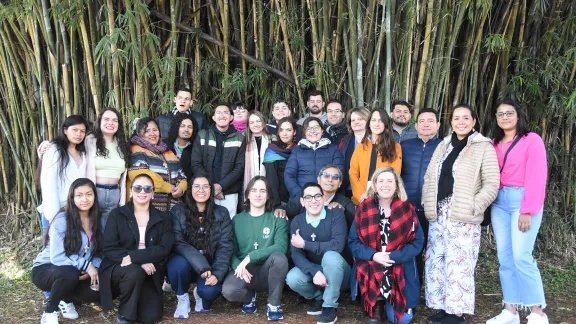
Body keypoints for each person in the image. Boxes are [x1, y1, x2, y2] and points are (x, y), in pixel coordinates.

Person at [422, 104, 499, 324]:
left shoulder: (483, 146)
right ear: (451, 122)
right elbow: (430, 176)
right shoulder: (444, 145)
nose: (461, 122)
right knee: (437, 260)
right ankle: (441, 306)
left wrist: (476, 205)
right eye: (456, 118)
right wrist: (428, 203)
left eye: (466, 118)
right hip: (439, 212)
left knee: (460, 262)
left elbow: (492, 183)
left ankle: (457, 312)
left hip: (463, 213)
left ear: (474, 121)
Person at [486, 99, 549, 324]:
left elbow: (537, 175)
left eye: (509, 113)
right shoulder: (493, 143)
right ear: (496, 118)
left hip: (523, 200)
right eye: (500, 114)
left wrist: (527, 209)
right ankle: (510, 310)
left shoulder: (531, 140)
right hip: (499, 203)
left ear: (518, 115)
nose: (505, 117)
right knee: (505, 257)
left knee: (521, 256)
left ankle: (537, 312)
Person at [348, 167, 424, 324]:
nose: (385, 185)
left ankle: (396, 300)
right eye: (381, 181)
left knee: (402, 320)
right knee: (375, 267)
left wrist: (393, 256)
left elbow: (418, 242)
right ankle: (377, 304)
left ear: (396, 184)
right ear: (374, 185)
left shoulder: (407, 209)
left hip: (399, 265)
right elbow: (353, 242)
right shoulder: (363, 208)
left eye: (390, 181)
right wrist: (374, 255)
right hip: (372, 264)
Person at [36, 109, 130, 230]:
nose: (110, 123)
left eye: (115, 120)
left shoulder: (122, 145)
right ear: (99, 122)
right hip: (92, 193)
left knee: (108, 230)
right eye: (106, 119)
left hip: (114, 194)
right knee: (90, 230)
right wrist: (44, 148)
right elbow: (64, 147)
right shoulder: (89, 140)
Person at [100, 174, 175, 324]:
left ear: (153, 193)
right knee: (134, 271)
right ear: (130, 191)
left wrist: (138, 258)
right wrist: (138, 261)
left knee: (151, 317)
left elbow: (165, 248)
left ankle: (136, 300)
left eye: (147, 189)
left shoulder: (163, 218)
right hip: (118, 267)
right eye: (138, 188)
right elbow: (109, 248)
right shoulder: (117, 215)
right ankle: (124, 317)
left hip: (150, 270)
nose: (142, 192)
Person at [32, 178, 102, 324]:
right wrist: (86, 266)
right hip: (46, 269)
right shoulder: (62, 219)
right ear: (72, 198)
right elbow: (57, 258)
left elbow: (99, 252)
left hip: (75, 269)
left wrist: (94, 266)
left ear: (94, 196)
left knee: (97, 291)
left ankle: (65, 299)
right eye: (79, 195)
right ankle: (50, 311)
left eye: (89, 194)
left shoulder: (97, 220)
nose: (85, 199)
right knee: (69, 273)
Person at [221, 176, 288, 321]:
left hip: (267, 270)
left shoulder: (278, 218)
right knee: (229, 291)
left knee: (279, 258)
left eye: (263, 191)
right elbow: (230, 250)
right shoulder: (237, 220)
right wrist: (238, 265)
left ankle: (273, 305)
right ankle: (249, 298)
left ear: (268, 195)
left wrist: (251, 256)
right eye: (254, 190)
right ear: (247, 194)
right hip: (244, 270)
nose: (258, 194)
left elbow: (281, 247)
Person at [167, 176, 233, 318]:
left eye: (205, 186)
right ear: (190, 189)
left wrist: (217, 273)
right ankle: (182, 297)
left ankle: (200, 292)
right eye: (196, 186)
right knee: (177, 265)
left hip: (210, 265)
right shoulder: (178, 211)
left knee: (210, 293)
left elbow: (225, 246)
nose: (201, 190)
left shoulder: (221, 212)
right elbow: (177, 242)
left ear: (211, 189)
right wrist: (201, 265)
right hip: (187, 262)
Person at [286, 182, 350, 324]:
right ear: (302, 201)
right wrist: (314, 271)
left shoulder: (336, 214)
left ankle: (329, 306)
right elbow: (296, 254)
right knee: (292, 278)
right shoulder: (297, 221)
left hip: (339, 272)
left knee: (331, 256)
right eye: (308, 197)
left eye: (317, 196)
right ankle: (319, 298)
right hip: (316, 273)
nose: (313, 200)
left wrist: (305, 244)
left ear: (323, 198)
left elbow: (337, 246)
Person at [400, 107, 441, 282]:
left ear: (438, 125)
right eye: (422, 121)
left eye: (430, 121)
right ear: (415, 126)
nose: (426, 125)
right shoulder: (404, 146)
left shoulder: (444, 147)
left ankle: (433, 294)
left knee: (435, 252)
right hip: (407, 208)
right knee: (410, 252)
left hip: (434, 209)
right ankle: (412, 293)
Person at [190, 103, 246, 218]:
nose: (222, 116)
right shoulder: (203, 135)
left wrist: (220, 186)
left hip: (229, 193)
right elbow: (196, 163)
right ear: (213, 117)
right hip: (204, 191)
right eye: (218, 113)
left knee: (228, 227)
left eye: (226, 113)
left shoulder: (240, 138)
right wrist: (211, 186)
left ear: (231, 117)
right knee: (205, 225)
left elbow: (240, 167)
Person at [39, 115, 89, 232]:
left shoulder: (83, 152)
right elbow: (48, 184)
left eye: (82, 131)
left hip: (77, 210)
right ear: (65, 130)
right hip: (57, 210)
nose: (79, 134)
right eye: (75, 130)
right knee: (53, 249)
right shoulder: (54, 150)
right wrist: (54, 216)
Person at [128, 117, 187, 212]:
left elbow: (182, 176)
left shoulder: (168, 152)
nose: (152, 134)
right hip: (147, 209)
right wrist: (169, 188)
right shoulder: (136, 150)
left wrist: (181, 188)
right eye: (147, 131)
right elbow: (141, 176)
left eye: (155, 130)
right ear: (139, 133)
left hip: (172, 210)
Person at [275, 165, 356, 229]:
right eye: (326, 175)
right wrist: (281, 210)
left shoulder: (346, 203)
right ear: (318, 179)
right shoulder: (306, 195)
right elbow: (288, 209)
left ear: (340, 183)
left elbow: (354, 224)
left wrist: (342, 212)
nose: (330, 180)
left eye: (335, 177)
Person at [349, 108, 402, 205]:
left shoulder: (395, 147)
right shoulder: (361, 147)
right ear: (369, 123)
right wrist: (362, 195)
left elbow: (394, 174)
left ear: (385, 124)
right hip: (360, 199)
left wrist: (374, 194)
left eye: (380, 121)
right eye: (373, 120)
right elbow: (353, 173)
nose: (377, 124)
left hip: (384, 199)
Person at [284, 117, 345, 199]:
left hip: (327, 198)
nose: (312, 131)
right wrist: (301, 195)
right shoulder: (297, 150)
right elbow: (289, 175)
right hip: (301, 198)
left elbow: (339, 173)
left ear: (322, 130)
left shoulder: (333, 149)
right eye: (308, 128)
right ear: (304, 132)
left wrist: (326, 196)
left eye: (316, 128)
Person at [263, 117, 298, 207]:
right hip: (280, 199)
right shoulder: (272, 150)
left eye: (288, 130)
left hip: (298, 196)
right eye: (281, 130)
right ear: (278, 132)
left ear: (294, 132)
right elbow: (271, 178)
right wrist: (276, 204)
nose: (285, 134)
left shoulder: (299, 149)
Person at [339, 107, 370, 198]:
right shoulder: (344, 141)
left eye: (360, 119)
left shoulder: (376, 140)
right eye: (353, 120)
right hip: (348, 189)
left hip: (371, 190)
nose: (356, 122)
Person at [243, 111, 273, 191]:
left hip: (270, 182)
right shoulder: (244, 142)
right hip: (249, 181)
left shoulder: (272, 140)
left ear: (263, 123)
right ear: (248, 125)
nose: (255, 125)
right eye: (252, 122)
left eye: (258, 121)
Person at [167, 113, 199, 180]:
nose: (186, 130)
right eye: (182, 126)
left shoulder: (197, 149)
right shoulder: (165, 145)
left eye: (190, 127)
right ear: (176, 127)